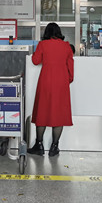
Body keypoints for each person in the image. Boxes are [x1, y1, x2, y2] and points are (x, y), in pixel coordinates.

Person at [27, 22, 74, 157]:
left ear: (46, 33)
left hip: (46, 82)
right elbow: (71, 70)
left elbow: (35, 61)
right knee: (59, 114)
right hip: (61, 84)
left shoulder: (43, 45)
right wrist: (66, 80)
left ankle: (39, 145)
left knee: (42, 112)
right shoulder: (66, 46)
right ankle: (54, 147)